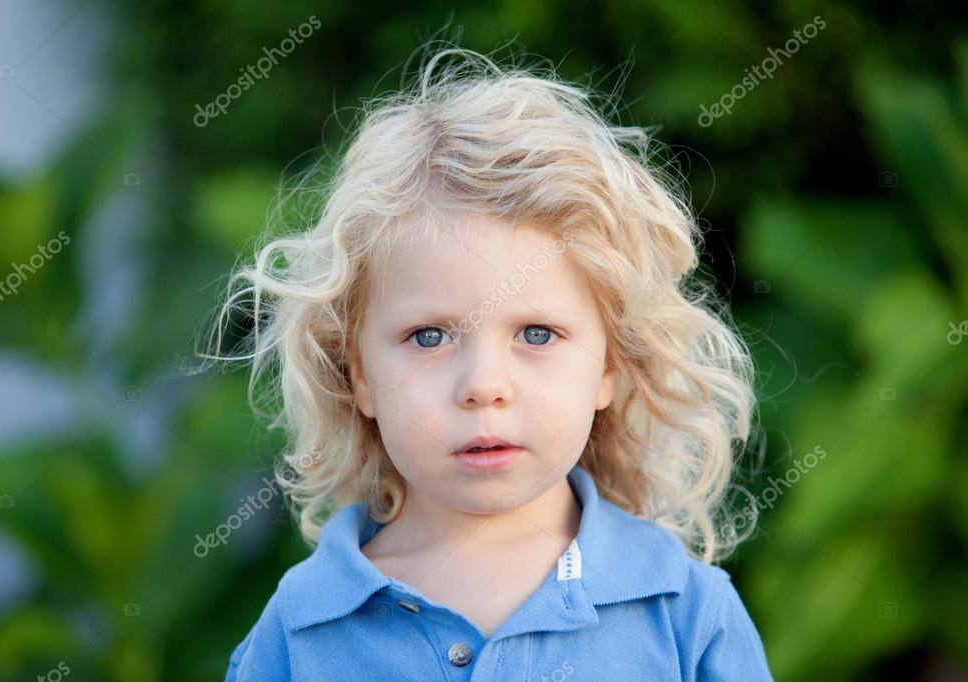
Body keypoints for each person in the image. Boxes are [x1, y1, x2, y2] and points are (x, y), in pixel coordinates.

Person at [206, 43, 774, 681]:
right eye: (427, 337)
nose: (483, 387)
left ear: (610, 364)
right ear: (358, 375)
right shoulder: (298, 631)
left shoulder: (685, 613)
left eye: (536, 333)